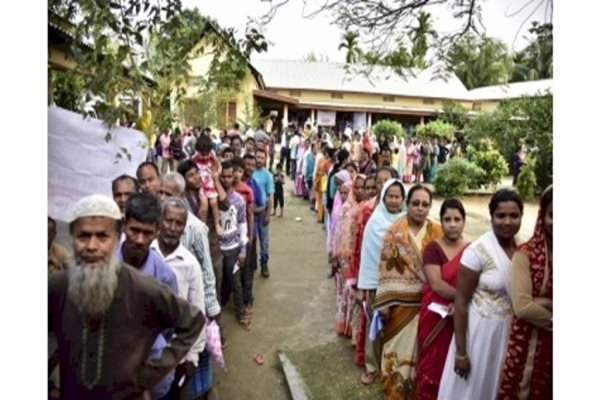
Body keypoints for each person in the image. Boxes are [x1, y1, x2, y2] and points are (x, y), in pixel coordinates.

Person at [49, 195, 203, 399]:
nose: (92, 246)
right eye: (83, 236)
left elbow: (193, 320)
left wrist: (148, 375)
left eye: (102, 237)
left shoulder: (144, 287)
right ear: (72, 238)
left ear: (115, 237)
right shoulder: (58, 286)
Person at [438, 189, 524, 400]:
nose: (507, 221)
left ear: (522, 216)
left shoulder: (524, 251)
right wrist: (461, 352)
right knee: (472, 389)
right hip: (478, 335)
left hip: (509, 334)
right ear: (491, 217)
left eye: (514, 216)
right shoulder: (478, 251)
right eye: (500, 215)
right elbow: (460, 303)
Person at [371, 184, 443, 398]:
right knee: (396, 354)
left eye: (425, 204)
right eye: (415, 203)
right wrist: (383, 302)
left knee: (423, 357)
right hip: (399, 307)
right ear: (407, 204)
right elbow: (384, 267)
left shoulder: (437, 231)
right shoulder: (395, 231)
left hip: (428, 307)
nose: (420, 208)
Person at [117, 192, 179, 399]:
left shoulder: (165, 277)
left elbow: (169, 327)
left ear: (157, 231)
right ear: (124, 225)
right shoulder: (102, 265)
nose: (140, 240)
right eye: (134, 230)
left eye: (147, 232)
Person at [497, 186, 553, 399]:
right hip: (529, 345)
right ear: (543, 216)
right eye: (553, 215)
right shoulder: (526, 255)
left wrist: (544, 301)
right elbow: (523, 307)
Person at [151, 198, 208, 399]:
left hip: (174, 354)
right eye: (168, 221)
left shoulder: (190, 264)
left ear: (184, 228)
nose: (173, 227)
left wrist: (192, 357)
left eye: (179, 223)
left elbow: (198, 311)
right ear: (159, 221)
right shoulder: (146, 253)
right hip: (143, 351)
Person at [415, 199, 469, 400]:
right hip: (436, 315)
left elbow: (474, 284)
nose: (452, 224)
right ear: (441, 221)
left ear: (464, 222)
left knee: (456, 362)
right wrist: (463, 300)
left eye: (457, 219)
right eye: (447, 219)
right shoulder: (433, 249)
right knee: (433, 364)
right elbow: (436, 284)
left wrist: (462, 304)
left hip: (460, 315)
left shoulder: (472, 249)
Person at [357, 175, 403, 385]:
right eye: (390, 196)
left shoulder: (407, 221)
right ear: (383, 197)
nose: (394, 200)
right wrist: (364, 287)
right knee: (374, 327)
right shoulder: (374, 222)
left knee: (397, 327)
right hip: (378, 285)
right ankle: (371, 366)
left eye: (398, 196)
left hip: (402, 286)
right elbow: (367, 256)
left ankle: (392, 367)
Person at [332, 174, 366, 337]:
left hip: (359, 256)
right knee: (348, 292)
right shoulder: (347, 207)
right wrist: (336, 256)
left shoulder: (366, 207)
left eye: (362, 187)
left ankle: (352, 328)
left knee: (355, 295)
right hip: (346, 257)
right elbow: (338, 232)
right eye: (357, 187)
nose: (359, 191)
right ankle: (344, 325)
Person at [218, 160, 249, 328]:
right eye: (223, 176)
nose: (226, 179)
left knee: (236, 283)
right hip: (216, 249)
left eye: (229, 176)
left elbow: (243, 225)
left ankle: (240, 312)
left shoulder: (238, 200)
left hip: (232, 248)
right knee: (218, 282)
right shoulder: (212, 199)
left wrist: (243, 250)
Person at [242, 154, 267, 315]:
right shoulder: (233, 183)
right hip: (234, 234)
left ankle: (248, 299)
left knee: (248, 267)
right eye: (248, 164)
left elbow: (262, 205)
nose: (250, 167)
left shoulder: (254, 185)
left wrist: (251, 210)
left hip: (250, 231)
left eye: (252, 164)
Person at [191, 134, 224, 237]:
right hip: (201, 183)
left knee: (214, 203)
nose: (205, 156)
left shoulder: (212, 157)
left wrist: (216, 174)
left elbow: (219, 167)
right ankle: (202, 224)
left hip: (210, 182)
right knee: (204, 204)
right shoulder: (194, 158)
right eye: (202, 153)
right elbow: (190, 168)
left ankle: (217, 223)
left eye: (207, 153)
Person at [252, 148, 275, 278]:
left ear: (265, 159)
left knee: (264, 241)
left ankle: (264, 265)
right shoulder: (249, 172)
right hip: (250, 212)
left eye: (261, 157)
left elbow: (270, 195)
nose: (259, 160)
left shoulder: (267, 175)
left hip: (262, 212)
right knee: (251, 240)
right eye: (257, 157)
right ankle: (252, 264)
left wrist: (268, 214)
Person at [303, 142, 318, 210]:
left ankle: (312, 203)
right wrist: (305, 175)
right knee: (311, 190)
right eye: (315, 148)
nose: (316, 150)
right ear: (312, 149)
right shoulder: (309, 156)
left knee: (313, 190)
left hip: (314, 176)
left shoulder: (316, 156)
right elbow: (306, 166)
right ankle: (311, 203)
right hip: (310, 175)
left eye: (317, 148)